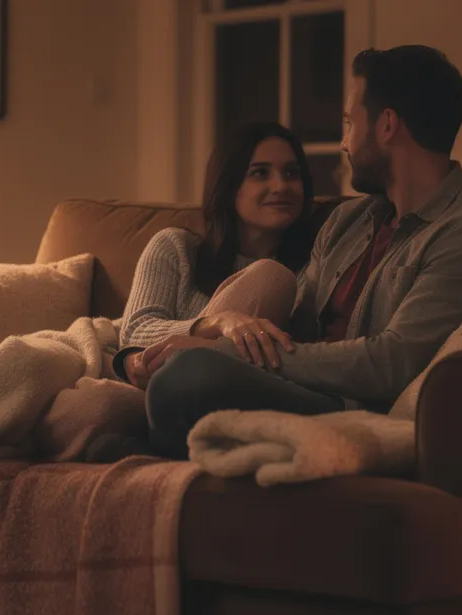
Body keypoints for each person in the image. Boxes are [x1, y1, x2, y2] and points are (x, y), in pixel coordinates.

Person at [142, 45, 462, 459]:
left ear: (387, 126)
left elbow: (392, 364)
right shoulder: (349, 220)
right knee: (179, 372)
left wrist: (229, 355)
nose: (344, 143)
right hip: (297, 389)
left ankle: (140, 441)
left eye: (348, 122)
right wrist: (225, 340)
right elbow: (297, 325)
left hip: (352, 410)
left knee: (189, 376)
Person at [33, 122, 318, 462]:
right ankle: (154, 446)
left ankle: (146, 448)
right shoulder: (175, 247)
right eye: (260, 173)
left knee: (270, 279)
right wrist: (213, 323)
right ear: (229, 186)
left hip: (215, 391)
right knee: (81, 414)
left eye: (291, 173)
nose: (280, 186)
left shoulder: (311, 273)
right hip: (140, 381)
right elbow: (135, 330)